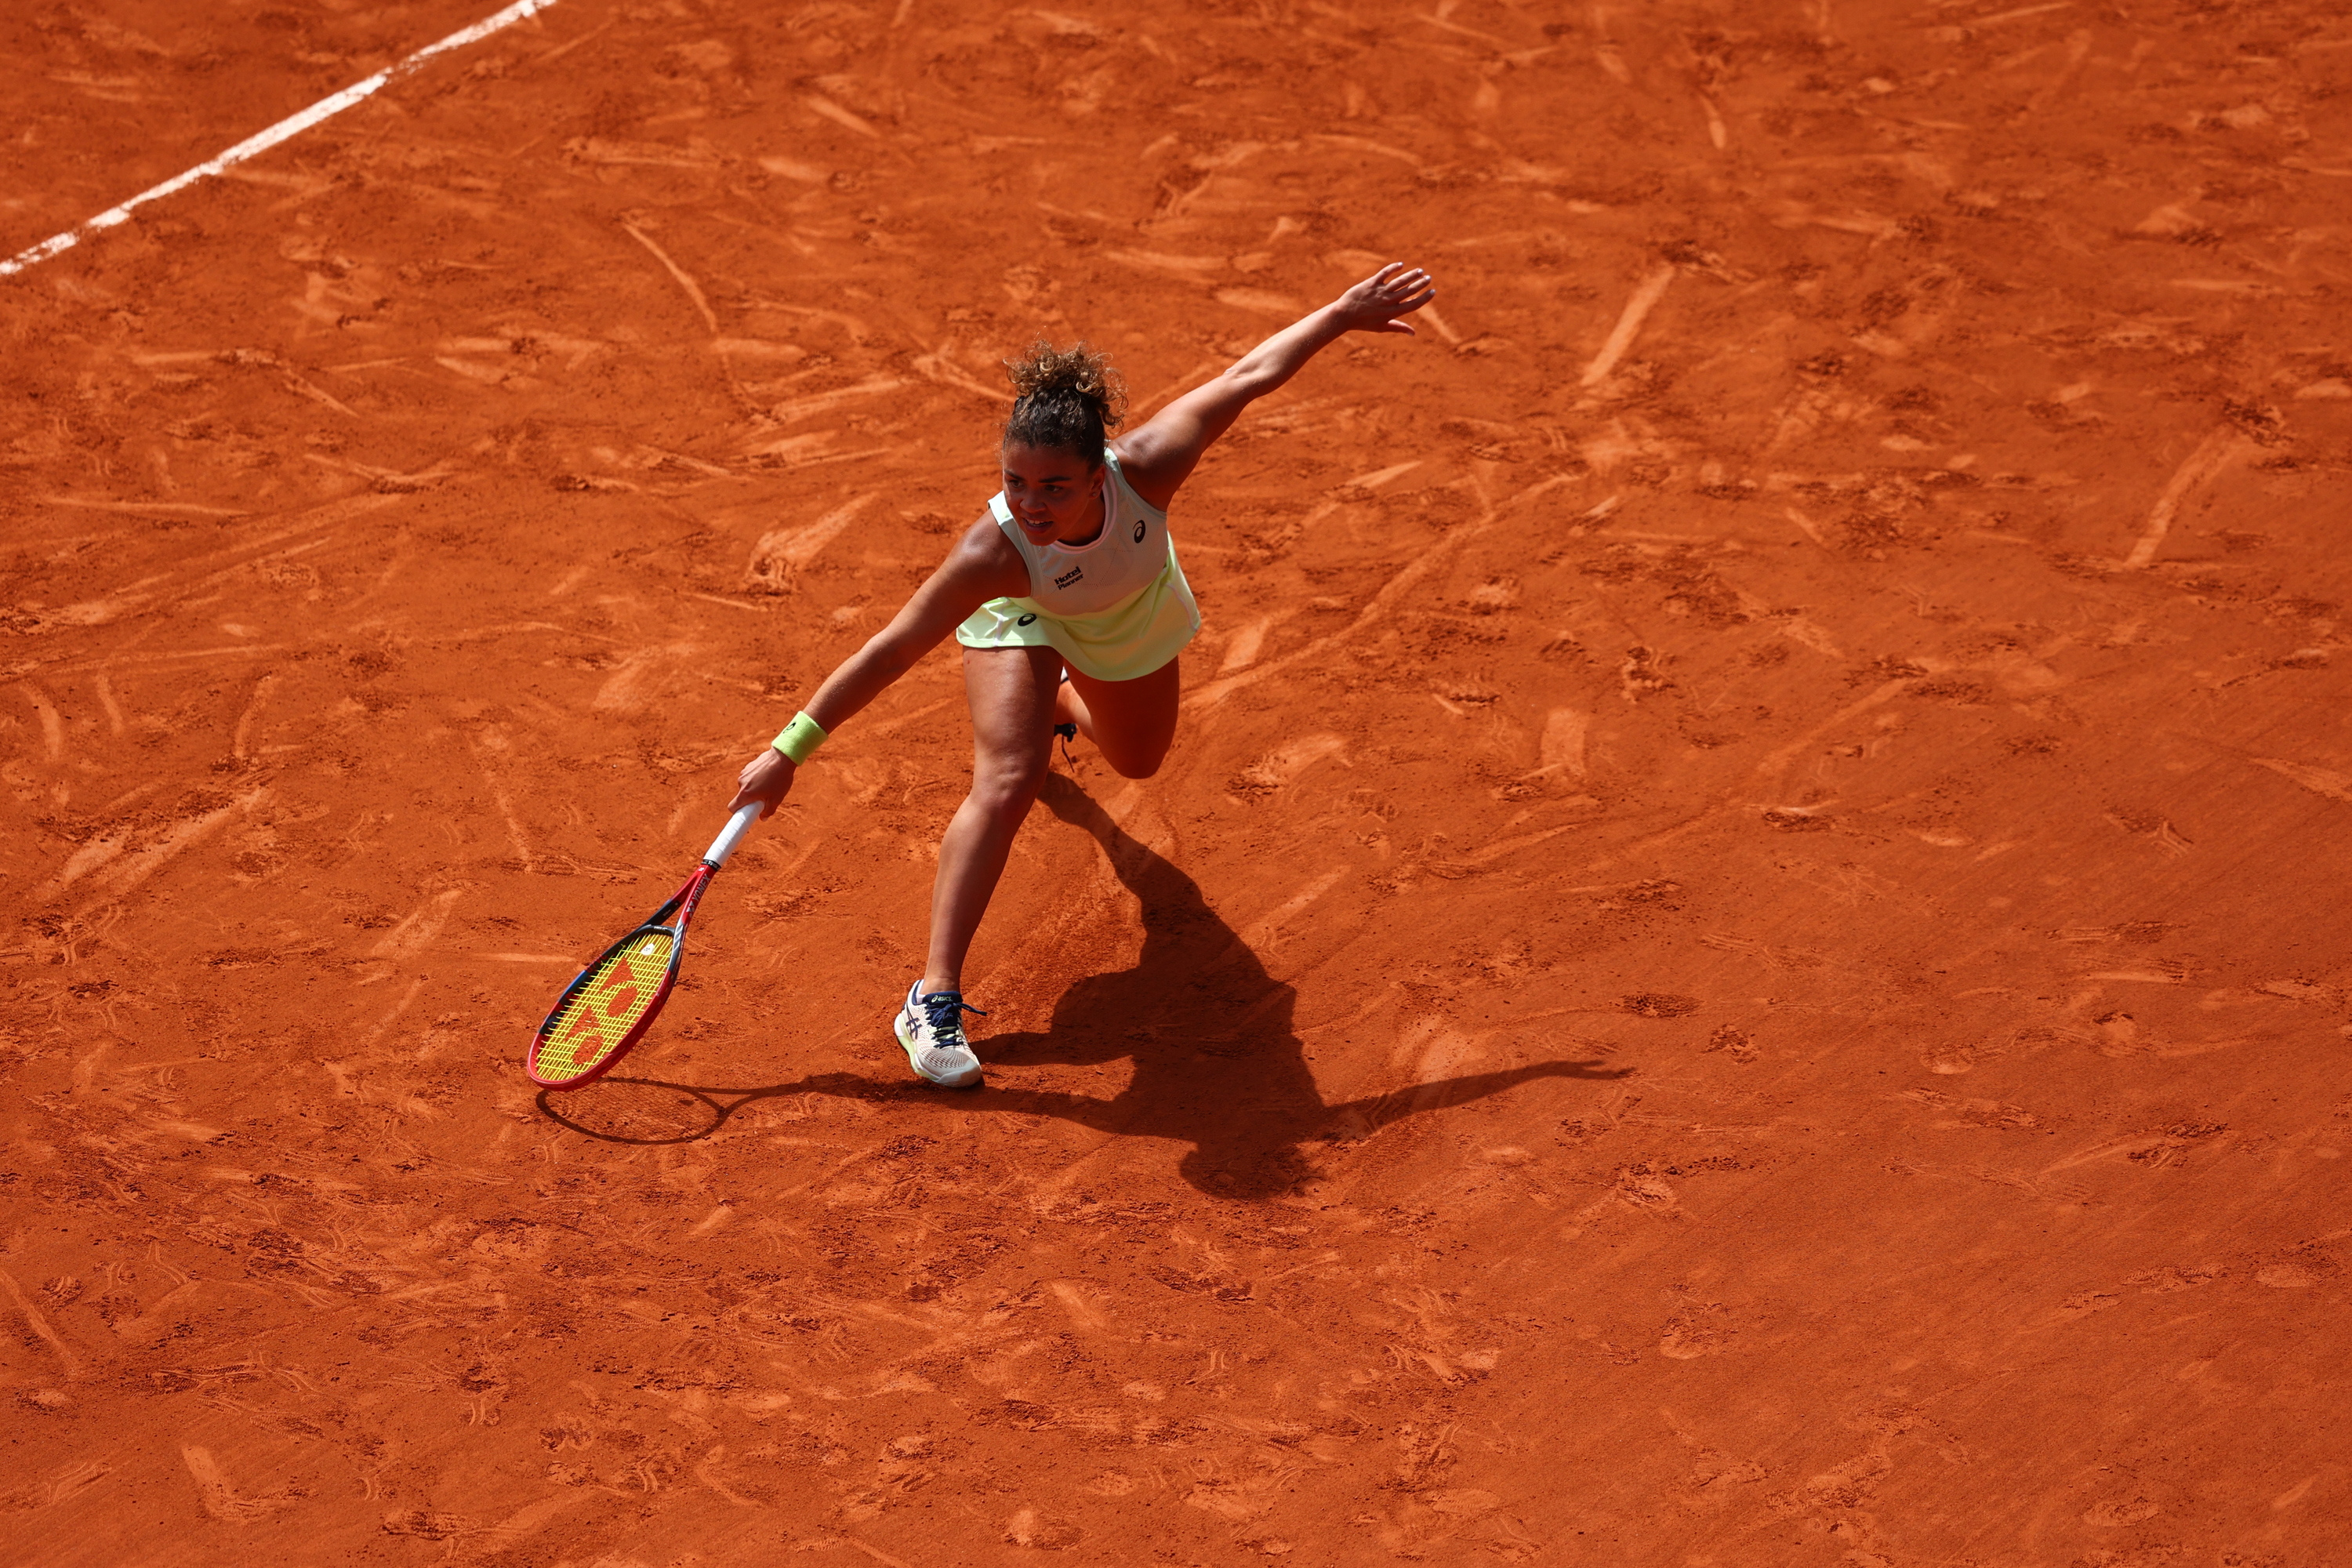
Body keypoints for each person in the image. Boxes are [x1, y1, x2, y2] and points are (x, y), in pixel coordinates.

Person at [726, 262, 1437, 1088]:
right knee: (1008, 776)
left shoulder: (1150, 466)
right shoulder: (994, 551)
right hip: (1018, 612)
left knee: (1138, 760)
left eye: (1054, 487)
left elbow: (1248, 376)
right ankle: (935, 995)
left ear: (1100, 471)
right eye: (1014, 482)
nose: (1032, 503)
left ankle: (1058, 702)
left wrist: (1341, 314)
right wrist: (790, 748)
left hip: (1124, 623)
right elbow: (890, 648)